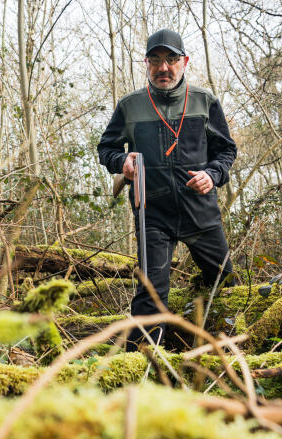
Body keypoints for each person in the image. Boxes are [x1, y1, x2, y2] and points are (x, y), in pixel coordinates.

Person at [97, 28, 237, 351]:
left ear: (184, 61)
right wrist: (123, 162)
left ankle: (226, 348)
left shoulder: (205, 102)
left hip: (200, 214)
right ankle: (139, 372)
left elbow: (227, 151)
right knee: (151, 297)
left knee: (225, 283)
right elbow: (106, 149)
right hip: (153, 216)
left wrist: (213, 175)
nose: (164, 68)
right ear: (146, 63)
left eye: (171, 59)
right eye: (156, 60)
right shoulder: (130, 106)